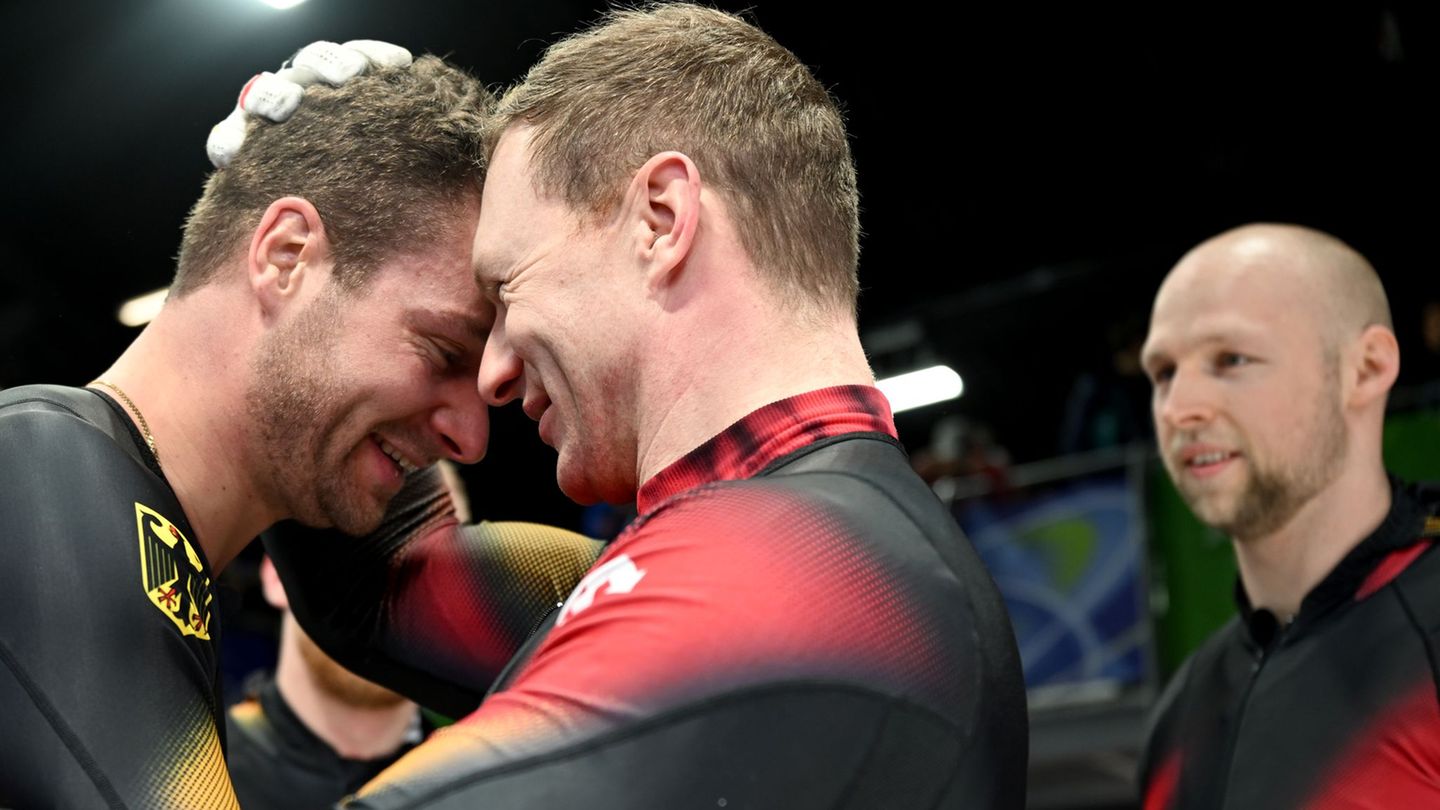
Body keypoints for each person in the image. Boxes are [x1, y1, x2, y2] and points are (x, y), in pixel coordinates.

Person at [267, 7, 1028, 807]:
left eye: (506, 290)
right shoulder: (841, 549)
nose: (493, 373)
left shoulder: (785, 580)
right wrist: (321, 168)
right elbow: (372, 588)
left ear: (662, 220)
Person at [0, 44, 596, 809]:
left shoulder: (155, 520)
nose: (471, 439)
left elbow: (663, 620)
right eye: (444, 350)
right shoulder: (37, 474)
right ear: (286, 256)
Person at [1137, 223, 1440, 809]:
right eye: (1164, 373)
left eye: (1231, 359)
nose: (1178, 408)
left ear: (1366, 369)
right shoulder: (1179, 715)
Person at [227, 556, 431, 810]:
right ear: (278, 575)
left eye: (423, 565)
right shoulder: (193, 782)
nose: (385, 597)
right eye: (354, 555)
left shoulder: (473, 781)